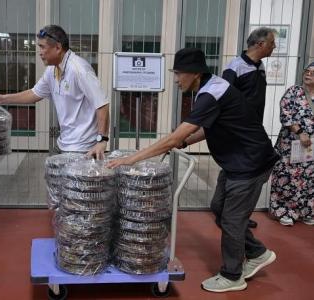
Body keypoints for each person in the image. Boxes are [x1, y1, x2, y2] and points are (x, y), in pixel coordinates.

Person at [107, 48, 279, 293]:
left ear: (196, 73)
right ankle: (257, 252)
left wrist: (132, 158)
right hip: (236, 161)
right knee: (219, 208)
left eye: (179, 74)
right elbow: (207, 128)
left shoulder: (211, 93)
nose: (176, 79)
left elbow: (174, 136)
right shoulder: (209, 89)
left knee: (232, 219)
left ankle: (232, 276)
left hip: (251, 163)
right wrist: (185, 142)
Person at [0, 25, 109, 159]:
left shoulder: (79, 69)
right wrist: (1, 98)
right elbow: (34, 93)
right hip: (64, 144)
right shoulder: (52, 70)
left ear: (58, 48)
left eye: (42, 47)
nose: (40, 52)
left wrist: (102, 140)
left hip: (84, 148)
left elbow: (102, 104)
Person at [222, 26, 277, 229]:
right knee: (239, 176)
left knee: (253, 177)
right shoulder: (234, 67)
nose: (274, 47)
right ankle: (234, 216)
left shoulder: (260, 66)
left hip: (254, 131)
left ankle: (241, 216)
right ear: (260, 44)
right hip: (237, 134)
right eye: (272, 43)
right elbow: (224, 99)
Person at [269, 62, 314, 226]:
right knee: (287, 176)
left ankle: (306, 211)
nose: (308, 74)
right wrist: (300, 132)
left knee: (309, 178)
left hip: (312, 147)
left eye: (312, 73)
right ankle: (285, 211)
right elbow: (285, 114)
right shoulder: (294, 92)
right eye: (307, 71)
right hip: (291, 144)